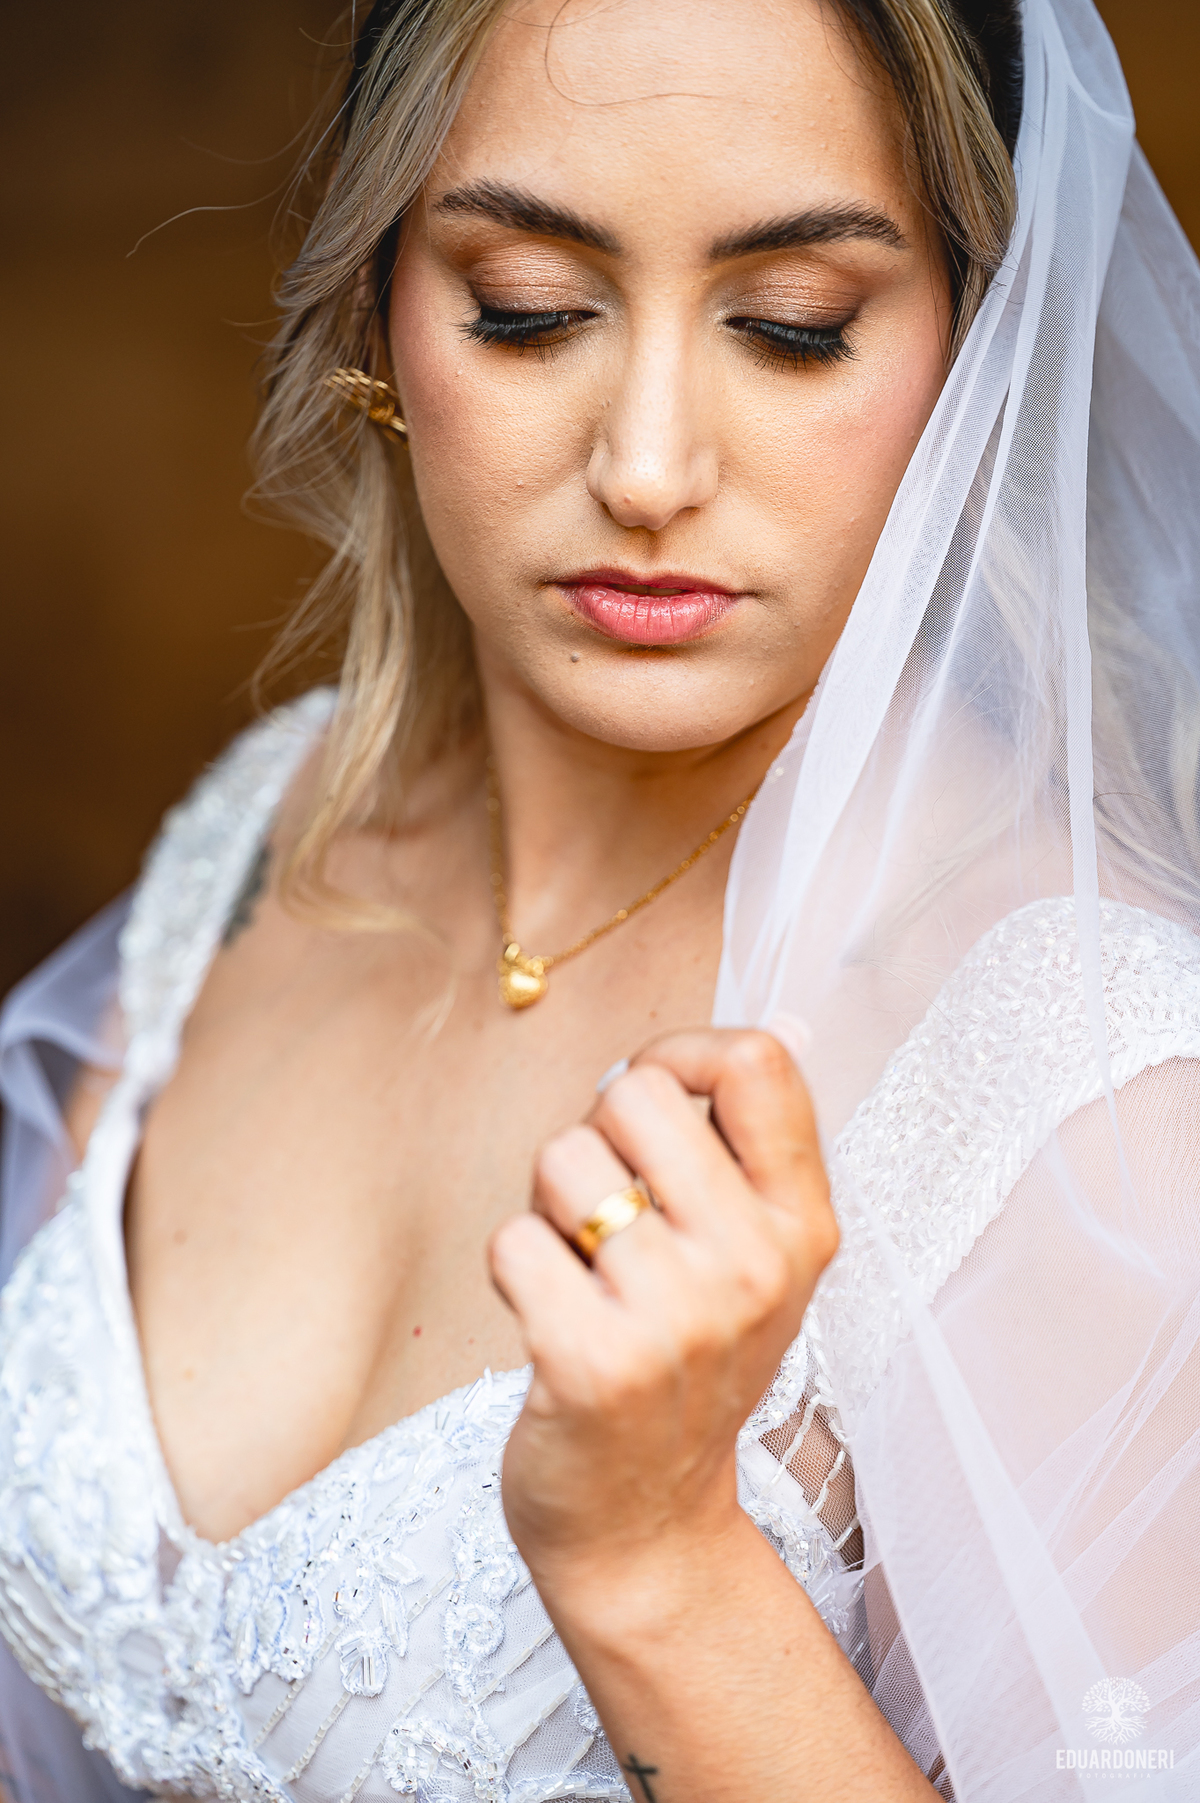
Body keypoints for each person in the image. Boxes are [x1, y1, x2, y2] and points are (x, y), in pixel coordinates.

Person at [2, 0, 1198, 1797]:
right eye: (530, 308)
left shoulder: (1101, 1117)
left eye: (793, 330)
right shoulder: (266, 838)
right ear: (382, 305)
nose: (647, 469)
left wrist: (659, 1567)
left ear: (974, 344)